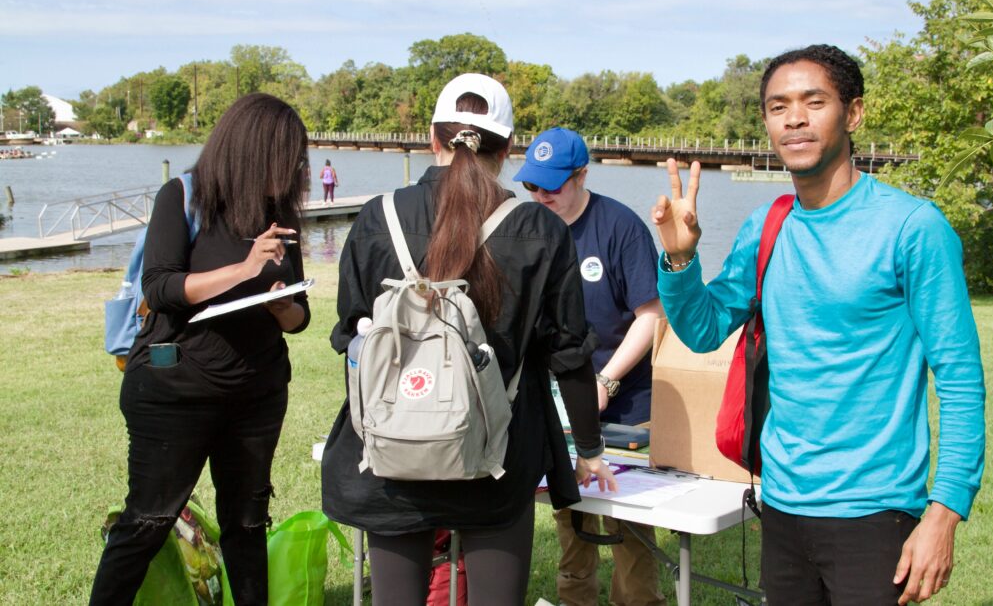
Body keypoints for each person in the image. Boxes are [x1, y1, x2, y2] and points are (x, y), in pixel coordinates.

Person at [651, 45, 985, 606]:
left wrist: (944, 514)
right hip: (782, 506)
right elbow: (705, 330)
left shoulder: (912, 228)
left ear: (853, 114)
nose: (795, 119)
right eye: (778, 106)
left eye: (814, 102)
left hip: (875, 513)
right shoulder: (768, 224)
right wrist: (681, 260)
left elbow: (960, 380)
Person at [321, 73, 617, 605]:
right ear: (507, 150)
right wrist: (590, 449)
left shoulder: (377, 217)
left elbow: (351, 334)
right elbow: (569, 352)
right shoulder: (540, 228)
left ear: (432, 138)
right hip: (497, 456)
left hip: (395, 447)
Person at [90, 93, 312, 606]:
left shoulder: (280, 215)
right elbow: (161, 288)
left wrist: (284, 308)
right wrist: (244, 269)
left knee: (247, 522)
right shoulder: (183, 196)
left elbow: (299, 318)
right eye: (289, 157)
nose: (298, 169)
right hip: (176, 391)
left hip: (256, 394)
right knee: (148, 520)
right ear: (253, 151)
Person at [513, 127, 666, 606]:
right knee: (571, 521)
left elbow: (650, 315)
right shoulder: (529, 229)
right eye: (531, 187)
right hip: (559, 405)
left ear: (581, 175)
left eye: (552, 187)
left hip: (625, 404)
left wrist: (605, 380)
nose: (540, 197)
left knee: (630, 530)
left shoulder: (619, 227)